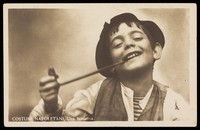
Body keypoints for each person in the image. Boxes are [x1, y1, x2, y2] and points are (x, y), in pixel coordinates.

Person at [29, 13, 191, 121]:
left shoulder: (172, 102)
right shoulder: (95, 94)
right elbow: (64, 122)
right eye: (118, 44)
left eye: (136, 37)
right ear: (111, 64)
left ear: (155, 51)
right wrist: (50, 106)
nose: (128, 43)